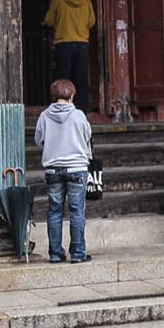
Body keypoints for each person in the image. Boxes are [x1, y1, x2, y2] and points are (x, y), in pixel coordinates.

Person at [35, 78, 93, 263]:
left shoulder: (44, 116)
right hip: (77, 167)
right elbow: (87, 135)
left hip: (53, 169)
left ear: (53, 96)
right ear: (72, 96)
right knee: (77, 211)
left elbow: (39, 139)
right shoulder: (79, 115)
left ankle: (55, 253)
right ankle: (77, 254)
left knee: (54, 211)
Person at [43, 0, 95, 109]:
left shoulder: (57, 0)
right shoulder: (86, 1)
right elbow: (91, 22)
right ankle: (81, 108)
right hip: (82, 44)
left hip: (63, 43)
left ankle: (62, 107)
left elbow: (49, 21)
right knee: (81, 78)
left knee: (63, 77)